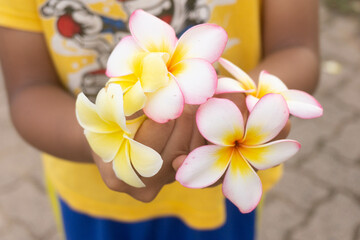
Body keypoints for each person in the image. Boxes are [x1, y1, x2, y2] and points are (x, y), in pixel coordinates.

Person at [0, 0, 319, 239]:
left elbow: (297, 49)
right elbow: (28, 89)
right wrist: (95, 144)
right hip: (92, 196)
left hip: (221, 196)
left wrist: (250, 106)